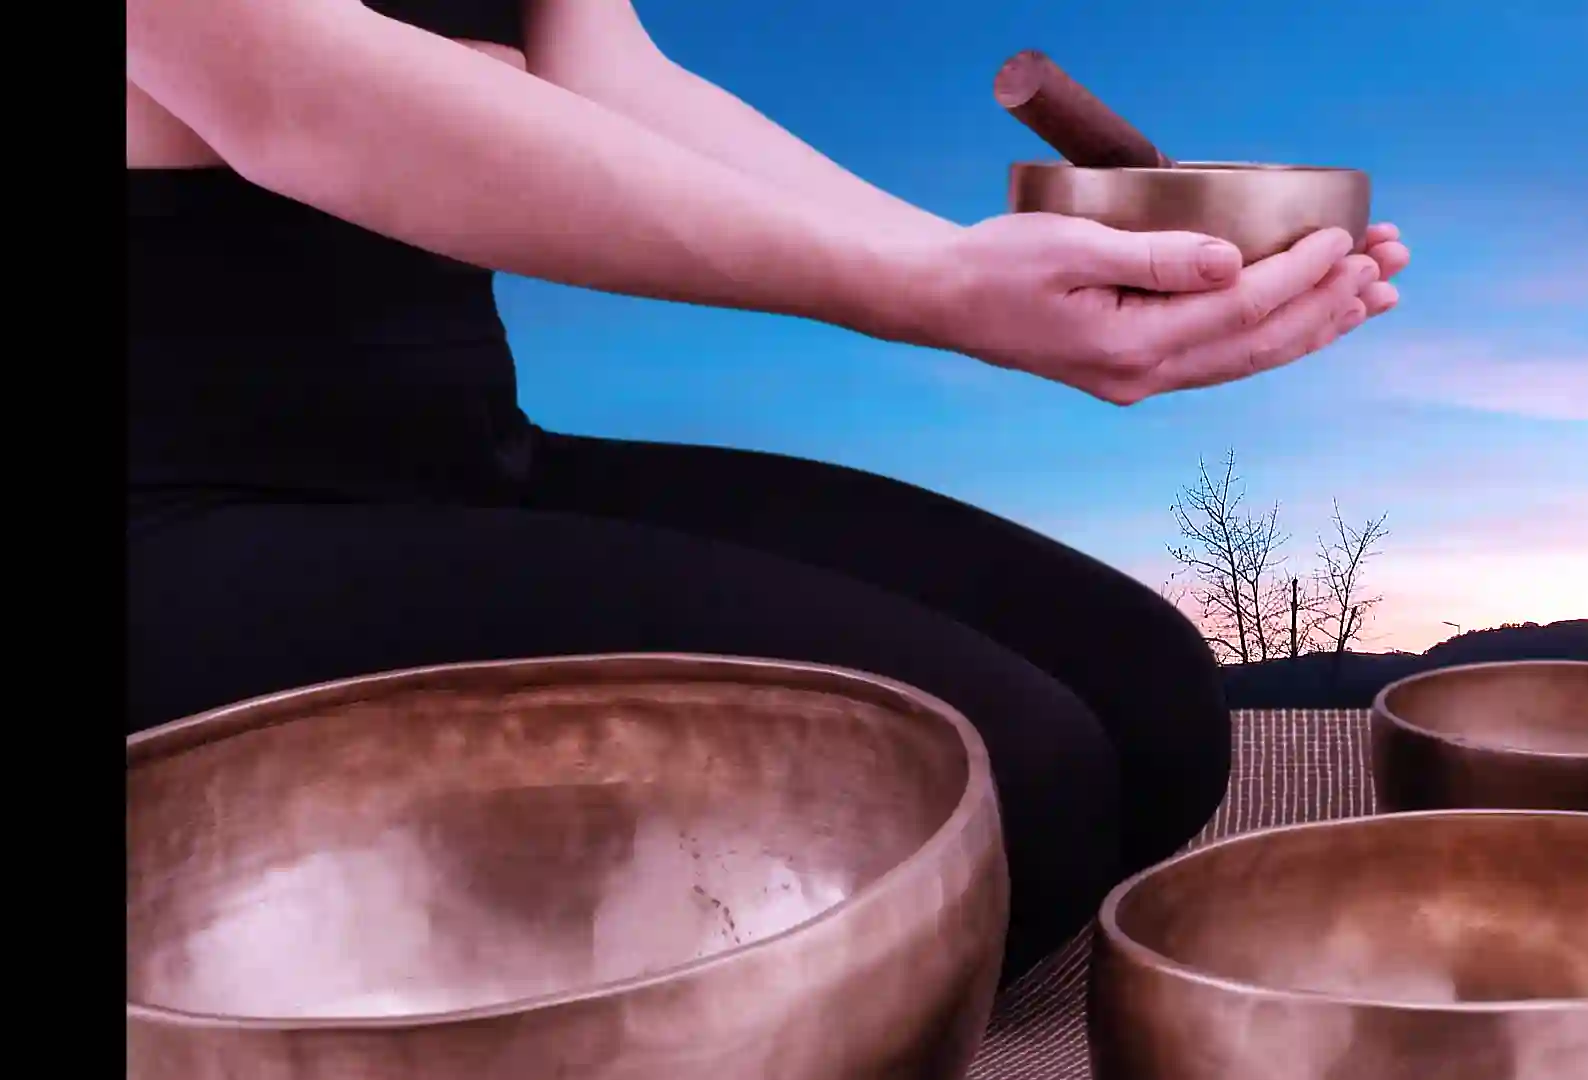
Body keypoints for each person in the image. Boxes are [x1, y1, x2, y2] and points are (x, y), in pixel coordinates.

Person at [126, 0, 1411, 980]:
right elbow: (296, 91)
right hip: (163, 505)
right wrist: (916, 296)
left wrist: (968, 274)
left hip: (454, 457)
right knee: (1003, 796)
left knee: (1149, 707)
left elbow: (597, 69)